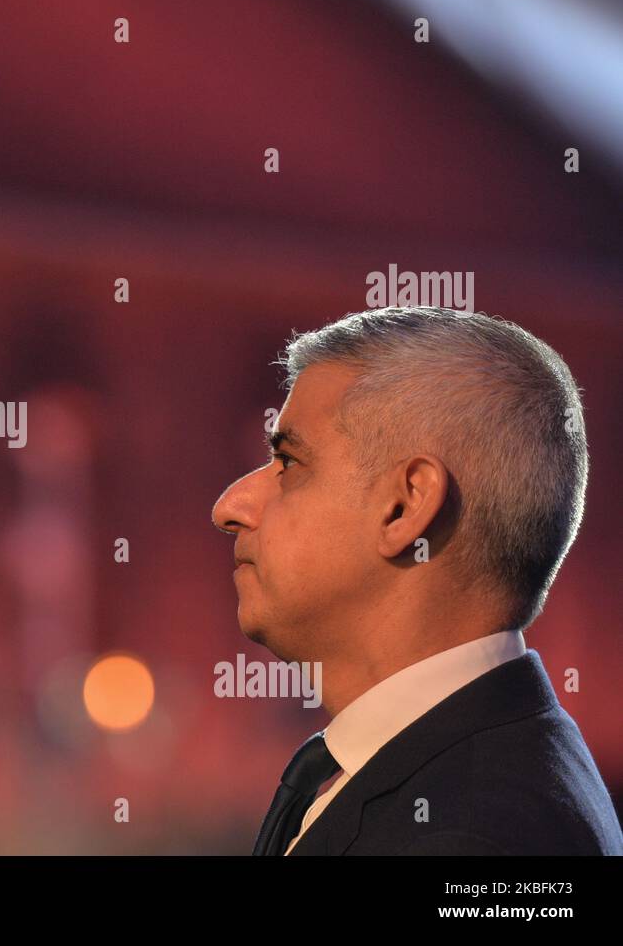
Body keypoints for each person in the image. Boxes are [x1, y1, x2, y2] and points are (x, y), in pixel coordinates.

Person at [211, 306, 622, 855]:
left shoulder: (472, 840)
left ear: (405, 507)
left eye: (289, 462)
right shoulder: (450, 779)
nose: (229, 506)